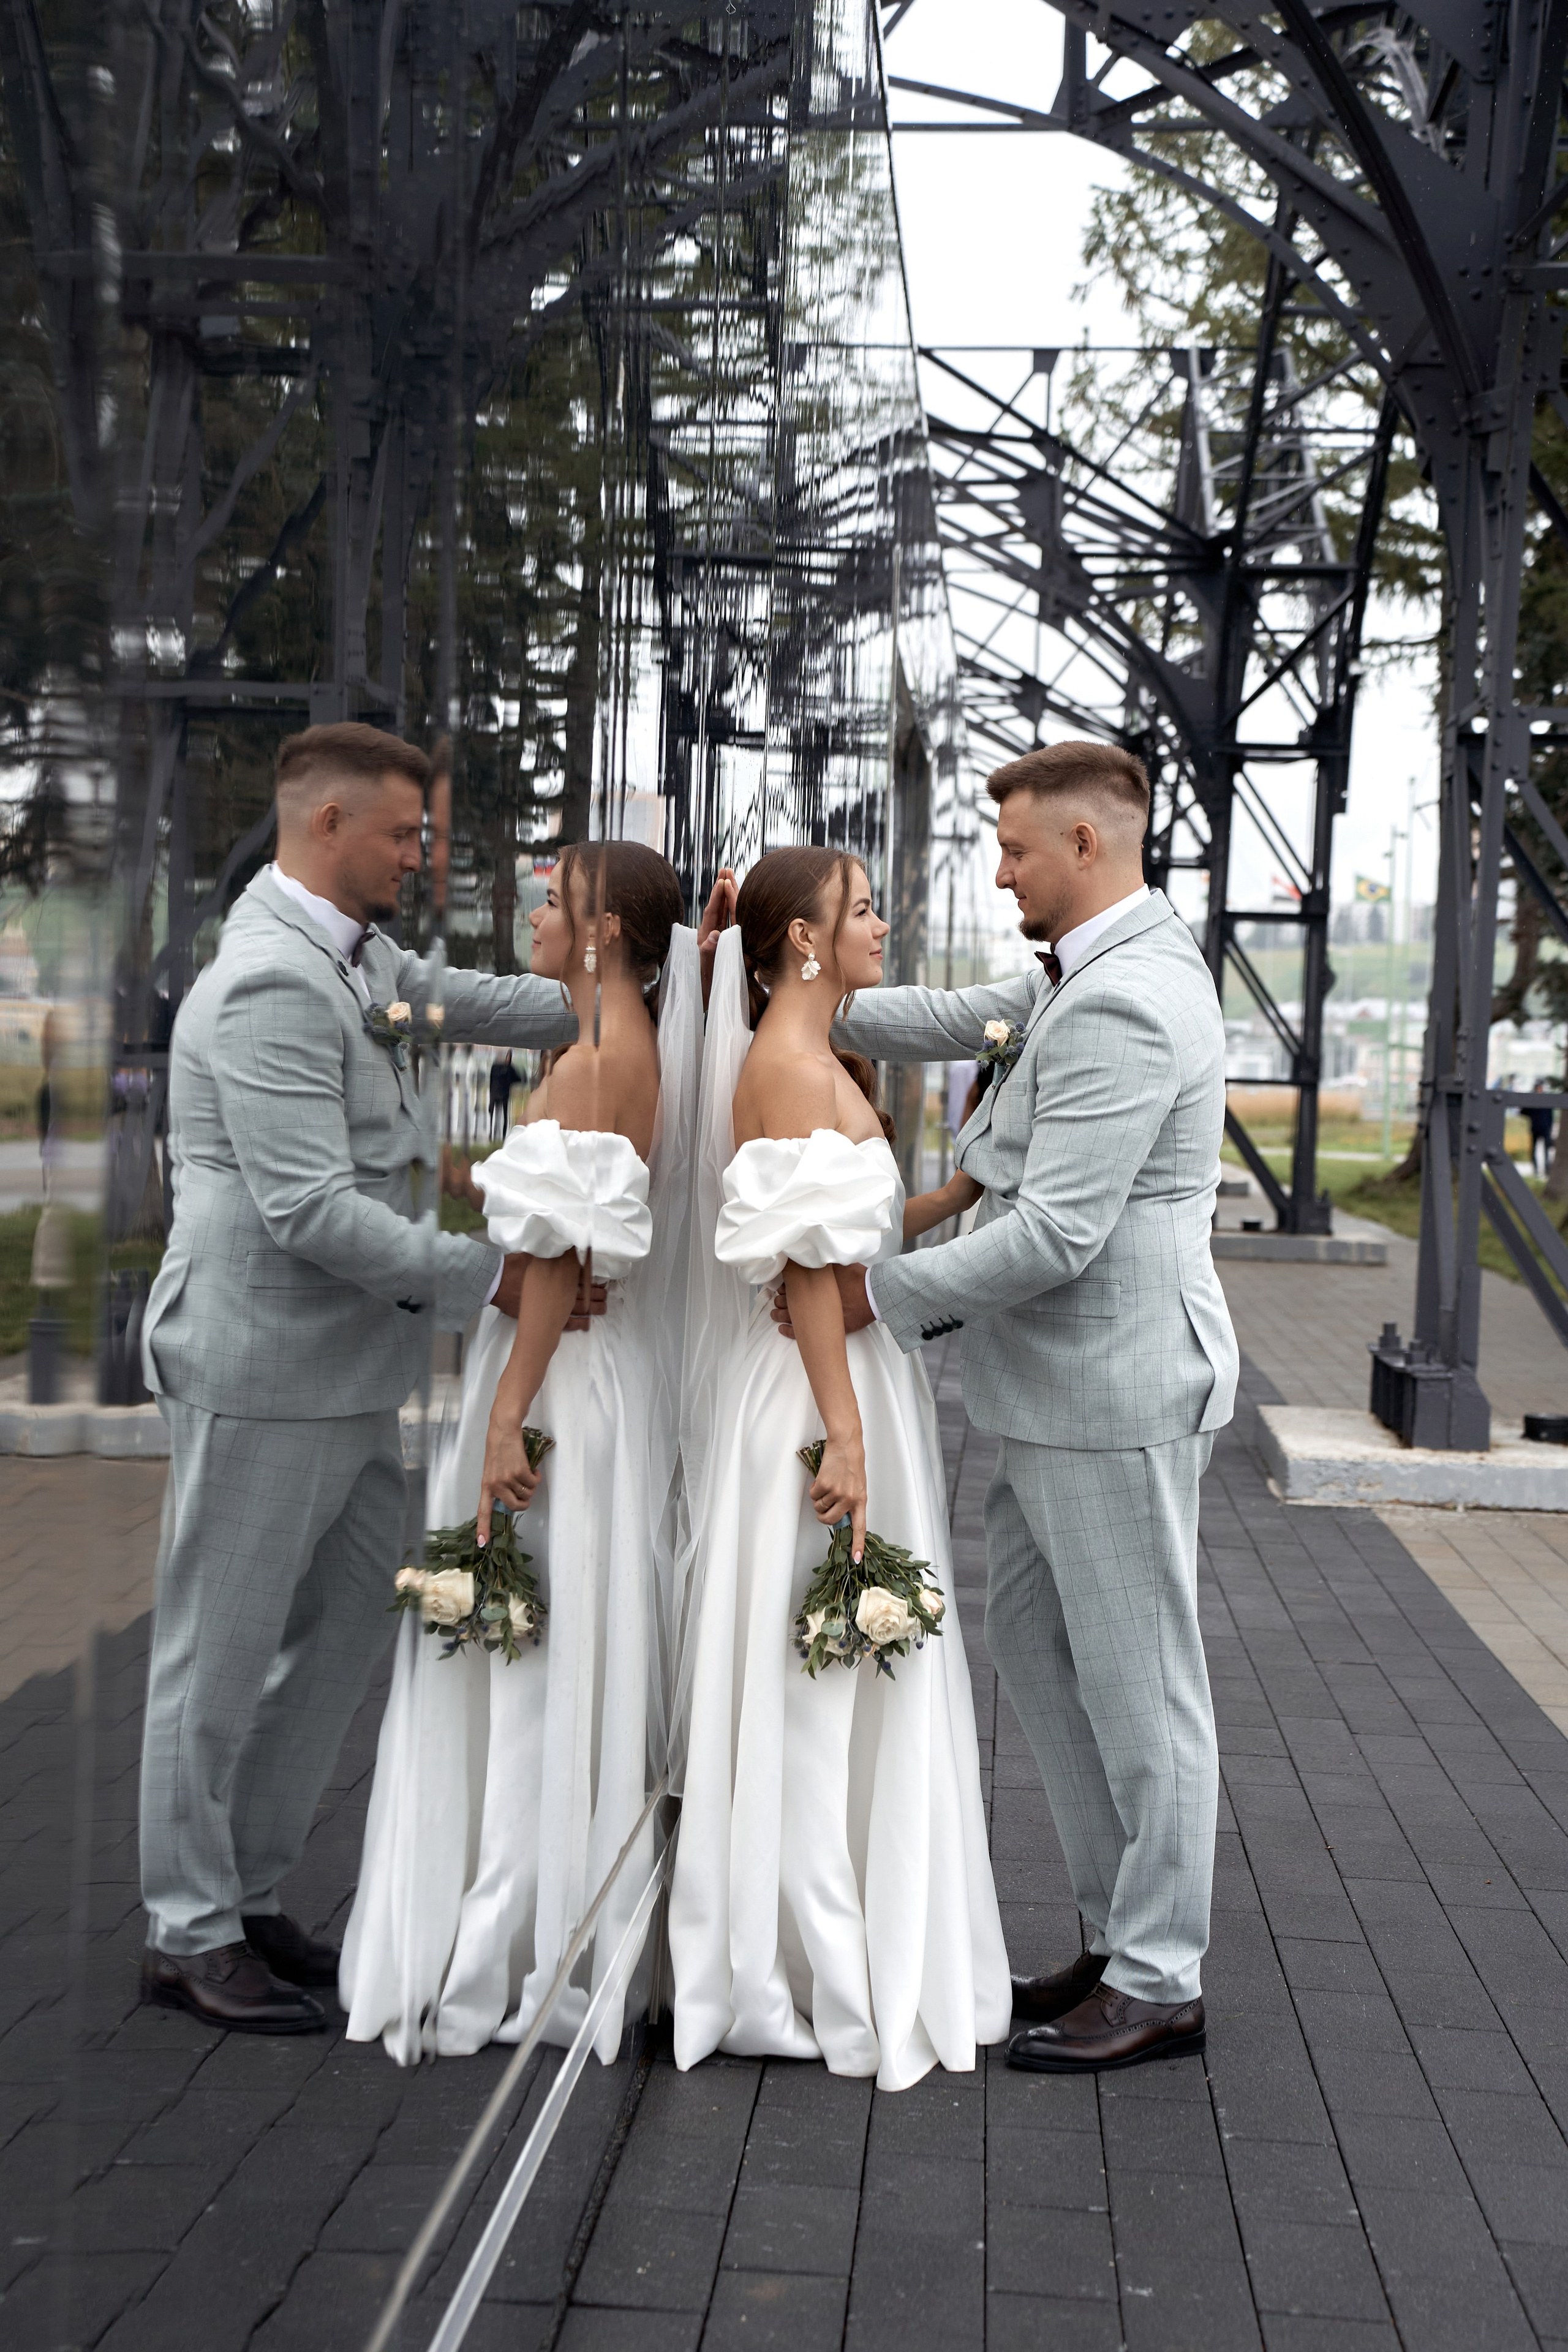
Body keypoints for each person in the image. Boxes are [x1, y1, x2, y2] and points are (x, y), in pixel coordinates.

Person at [137, 723, 731, 2036]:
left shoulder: (365, 963)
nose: (423, 855)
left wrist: (668, 967)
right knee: (217, 1654)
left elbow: (515, 998)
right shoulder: (271, 983)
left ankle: (247, 1891)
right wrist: (503, 1279)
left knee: (350, 1623)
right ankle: (186, 1931)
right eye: (404, 834)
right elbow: (308, 1210)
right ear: (328, 824)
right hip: (262, 1361)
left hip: (352, 1367)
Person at [811, 739, 1237, 2076]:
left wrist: (869, 1298)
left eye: (1012, 851)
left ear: (1085, 846)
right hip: (1057, 1390)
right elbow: (951, 1016)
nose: (998, 874)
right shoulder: (1084, 969)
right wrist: (782, 985)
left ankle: (1161, 1980)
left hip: (1113, 1392)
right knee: (1050, 1665)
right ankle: (1116, 1940)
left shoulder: (1126, 1001)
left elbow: (1056, 1234)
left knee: (1144, 1689)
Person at [341, 845, 698, 2064]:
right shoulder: (610, 1045)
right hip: (583, 1372)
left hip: (553, 1382)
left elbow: (551, 1259)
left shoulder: (596, 1061)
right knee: (546, 1645)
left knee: (527, 1655)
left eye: (554, 901)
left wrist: (506, 1413)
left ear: (604, 932)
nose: (534, 914)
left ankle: (507, 1936)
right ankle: (536, 1915)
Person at [668, 850, 1011, 2092]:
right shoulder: (790, 1069)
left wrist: (962, 1188)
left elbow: (852, 1237)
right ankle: (806, 1956)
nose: (881, 922)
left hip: (852, 1387)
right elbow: (811, 1274)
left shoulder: (820, 1059)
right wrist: (845, 1435)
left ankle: (846, 1932)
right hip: (821, 1401)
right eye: (861, 909)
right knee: (816, 1675)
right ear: (804, 943)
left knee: (845, 1663)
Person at [1529, 1079, 1555, 1180]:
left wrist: (1550, 1128)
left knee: (1546, 1150)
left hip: (1545, 1128)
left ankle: (1547, 1169)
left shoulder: (1546, 1099)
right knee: (1534, 1150)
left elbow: (1550, 1116)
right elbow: (1524, 1111)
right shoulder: (1532, 1099)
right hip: (1535, 1128)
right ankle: (1536, 1170)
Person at [488, 1050, 517, 1139]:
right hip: (500, 1095)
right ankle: (496, 1134)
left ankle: (497, 1134)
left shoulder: (500, 1067)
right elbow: (517, 1078)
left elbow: (491, 1082)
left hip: (499, 1095)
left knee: (500, 1116)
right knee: (499, 1115)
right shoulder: (507, 1068)